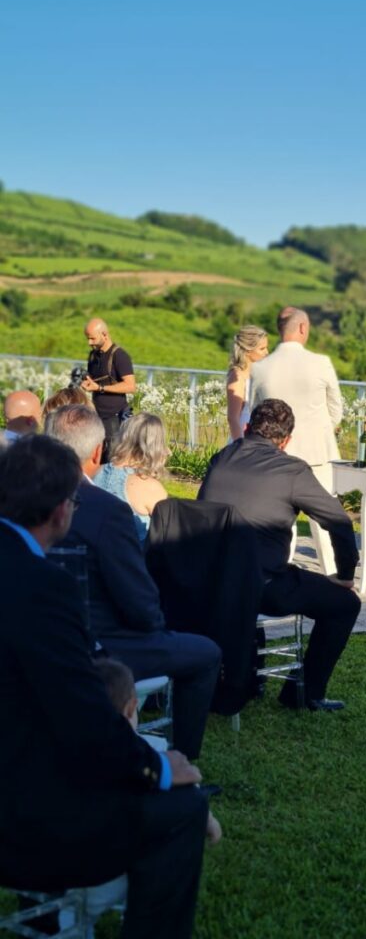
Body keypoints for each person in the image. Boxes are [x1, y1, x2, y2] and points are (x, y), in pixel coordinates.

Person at [0, 434, 208, 939]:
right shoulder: (43, 587)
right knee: (184, 808)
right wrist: (156, 765)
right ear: (60, 512)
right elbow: (85, 721)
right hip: (20, 818)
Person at [45, 404, 221, 759]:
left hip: (36, 636)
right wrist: (155, 627)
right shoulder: (105, 511)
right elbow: (139, 604)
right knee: (205, 653)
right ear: (96, 452)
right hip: (99, 645)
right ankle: (180, 760)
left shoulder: (19, 497)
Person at [199, 398, 360, 711]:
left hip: (209, 579)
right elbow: (339, 522)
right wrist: (344, 575)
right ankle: (304, 694)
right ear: (286, 441)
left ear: (247, 428)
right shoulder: (292, 470)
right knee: (346, 604)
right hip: (263, 584)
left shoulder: (222, 456)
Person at [250, 306, 344, 575]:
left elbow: (254, 411)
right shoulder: (320, 363)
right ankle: (334, 577)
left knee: (280, 525)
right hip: (318, 455)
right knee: (326, 524)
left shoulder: (260, 368)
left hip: (275, 456)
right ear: (302, 328)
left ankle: (279, 577)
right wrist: (323, 428)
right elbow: (336, 408)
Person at [95, 658, 222, 846]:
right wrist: (207, 818)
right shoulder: (146, 755)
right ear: (132, 708)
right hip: (125, 846)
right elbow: (188, 797)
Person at [94, 412, 169, 542]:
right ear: (155, 447)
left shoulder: (94, 473)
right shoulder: (150, 487)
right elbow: (169, 535)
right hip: (132, 559)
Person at [80, 317, 136, 462]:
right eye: (87, 338)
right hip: (96, 417)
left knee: (112, 461)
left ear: (105, 334)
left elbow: (130, 386)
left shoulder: (120, 356)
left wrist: (99, 387)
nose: (89, 343)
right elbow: (93, 381)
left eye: (92, 338)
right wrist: (87, 384)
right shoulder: (93, 355)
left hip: (115, 418)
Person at [226, 324, 269, 442]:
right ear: (247, 351)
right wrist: (240, 447)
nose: (267, 352)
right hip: (243, 439)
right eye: (262, 348)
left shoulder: (259, 374)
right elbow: (232, 418)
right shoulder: (237, 376)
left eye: (266, 347)